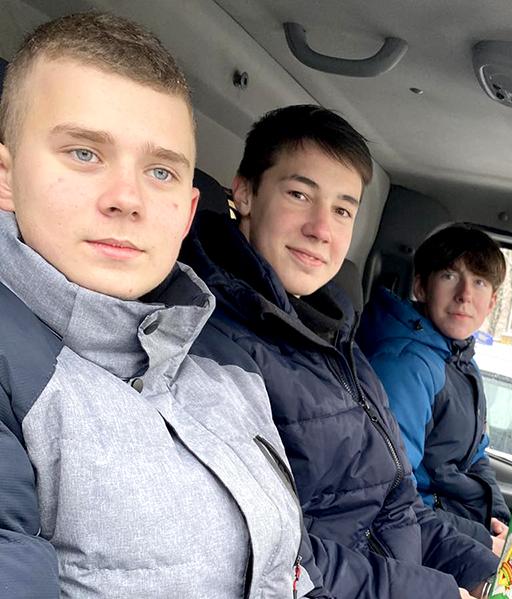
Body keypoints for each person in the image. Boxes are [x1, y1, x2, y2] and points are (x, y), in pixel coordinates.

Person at [0, 13, 316, 598]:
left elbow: (292, 569)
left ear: (189, 211)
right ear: (6, 176)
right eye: (84, 153)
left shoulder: (228, 366)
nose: (128, 199)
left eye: (161, 171)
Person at [180, 105, 498, 599]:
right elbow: (269, 553)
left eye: (342, 210)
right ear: (244, 193)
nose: (321, 229)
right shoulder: (206, 339)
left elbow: (399, 508)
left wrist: (488, 572)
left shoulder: (334, 338)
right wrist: (431, 593)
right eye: (299, 194)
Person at [358, 226, 511, 552]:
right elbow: (393, 494)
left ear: (492, 302)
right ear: (421, 287)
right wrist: (483, 541)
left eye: (480, 282)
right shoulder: (405, 366)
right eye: (449, 276)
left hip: (454, 523)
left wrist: (497, 517)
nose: (465, 294)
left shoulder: (459, 359)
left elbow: (476, 454)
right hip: (415, 538)